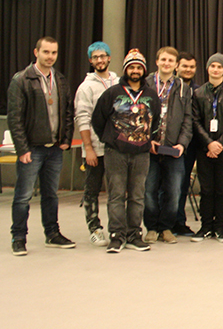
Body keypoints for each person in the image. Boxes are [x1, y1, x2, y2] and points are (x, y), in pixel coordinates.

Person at [8, 36, 76, 256]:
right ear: (36, 52)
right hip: (32, 148)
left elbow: (68, 111)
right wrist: (22, 149)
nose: (50, 57)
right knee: (23, 195)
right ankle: (18, 237)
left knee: (51, 195)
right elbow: (15, 118)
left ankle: (52, 234)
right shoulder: (21, 80)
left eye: (54, 53)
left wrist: (66, 138)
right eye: (46, 52)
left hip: (54, 148)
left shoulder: (61, 79)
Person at [91, 49, 162, 253]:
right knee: (116, 195)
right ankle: (117, 235)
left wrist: (149, 140)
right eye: (131, 67)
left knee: (137, 195)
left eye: (139, 67)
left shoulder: (150, 95)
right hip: (116, 153)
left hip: (141, 153)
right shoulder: (113, 92)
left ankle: (134, 234)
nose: (135, 70)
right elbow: (98, 118)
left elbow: (156, 121)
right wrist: (110, 139)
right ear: (125, 70)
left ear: (144, 70)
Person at [143, 47, 193, 245]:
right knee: (149, 190)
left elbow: (188, 119)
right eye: (163, 59)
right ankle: (152, 227)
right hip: (149, 148)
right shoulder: (146, 84)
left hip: (174, 149)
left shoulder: (183, 87)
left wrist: (182, 143)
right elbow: (138, 115)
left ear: (176, 64)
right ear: (157, 61)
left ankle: (166, 227)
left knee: (174, 191)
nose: (167, 63)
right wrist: (146, 140)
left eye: (171, 60)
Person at [190, 53, 223, 243]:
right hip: (205, 149)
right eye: (213, 66)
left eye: (220, 67)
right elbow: (195, 121)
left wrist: (220, 143)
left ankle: (220, 226)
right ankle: (206, 226)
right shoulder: (198, 93)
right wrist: (209, 143)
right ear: (207, 68)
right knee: (206, 189)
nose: (216, 70)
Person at [73, 41, 119, 247]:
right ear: (91, 61)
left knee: (117, 189)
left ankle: (116, 228)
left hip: (116, 147)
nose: (100, 60)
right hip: (94, 148)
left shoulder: (119, 83)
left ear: (109, 58)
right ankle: (94, 228)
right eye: (95, 57)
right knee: (92, 190)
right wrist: (88, 148)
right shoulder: (86, 87)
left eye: (103, 56)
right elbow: (82, 118)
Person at [172, 51, 199, 237]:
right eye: (185, 66)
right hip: (170, 144)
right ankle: (161, 222)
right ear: (177, 67)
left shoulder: (198, 91)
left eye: (191, 67)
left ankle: (178, 222)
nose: (188, 70)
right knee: (164, 186)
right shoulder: (168, 88)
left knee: (181, 186)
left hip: (191, 146)